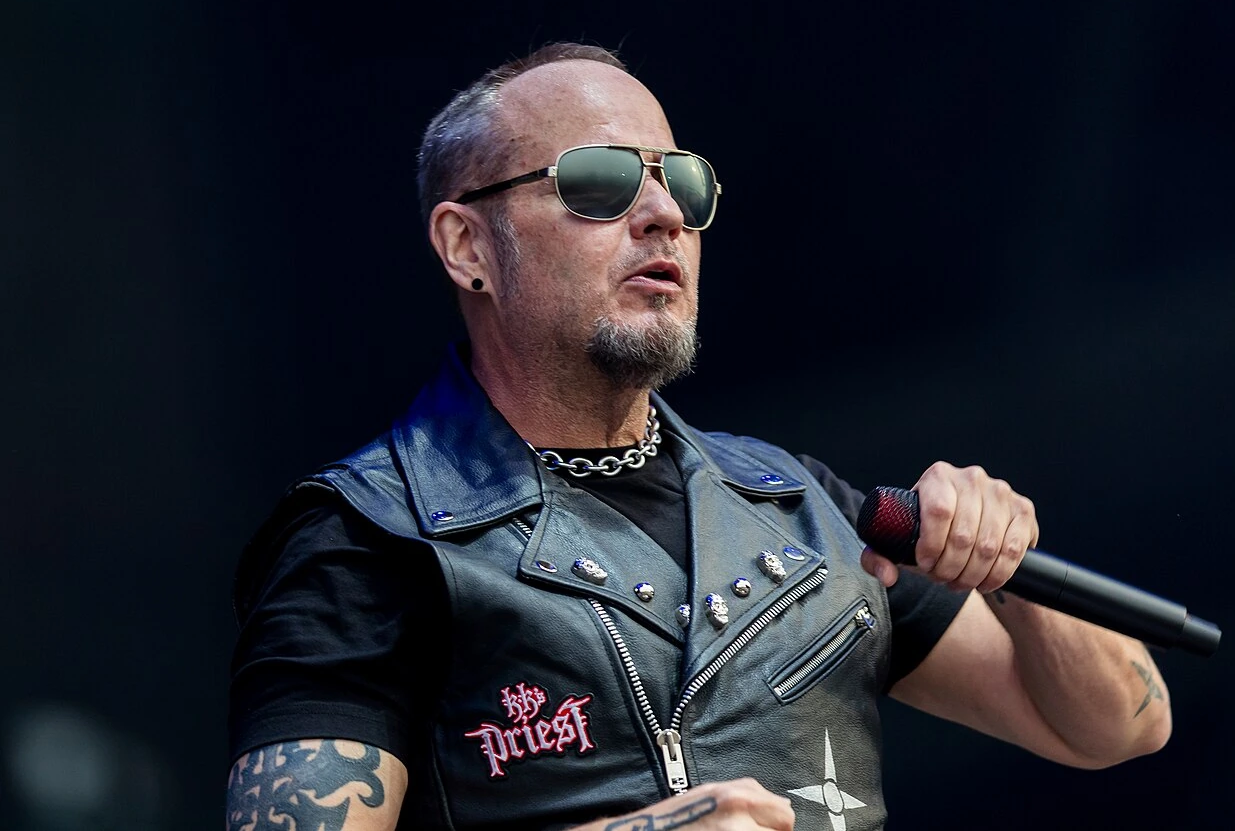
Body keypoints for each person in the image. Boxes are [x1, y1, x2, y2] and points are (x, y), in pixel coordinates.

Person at [225, 42, 1172, 831]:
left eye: (682, 182)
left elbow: (1119, 725)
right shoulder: (369, 538)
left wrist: (1008, 565)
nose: (664, 214)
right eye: (597, 183)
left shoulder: (801, 506)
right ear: (469, 247)